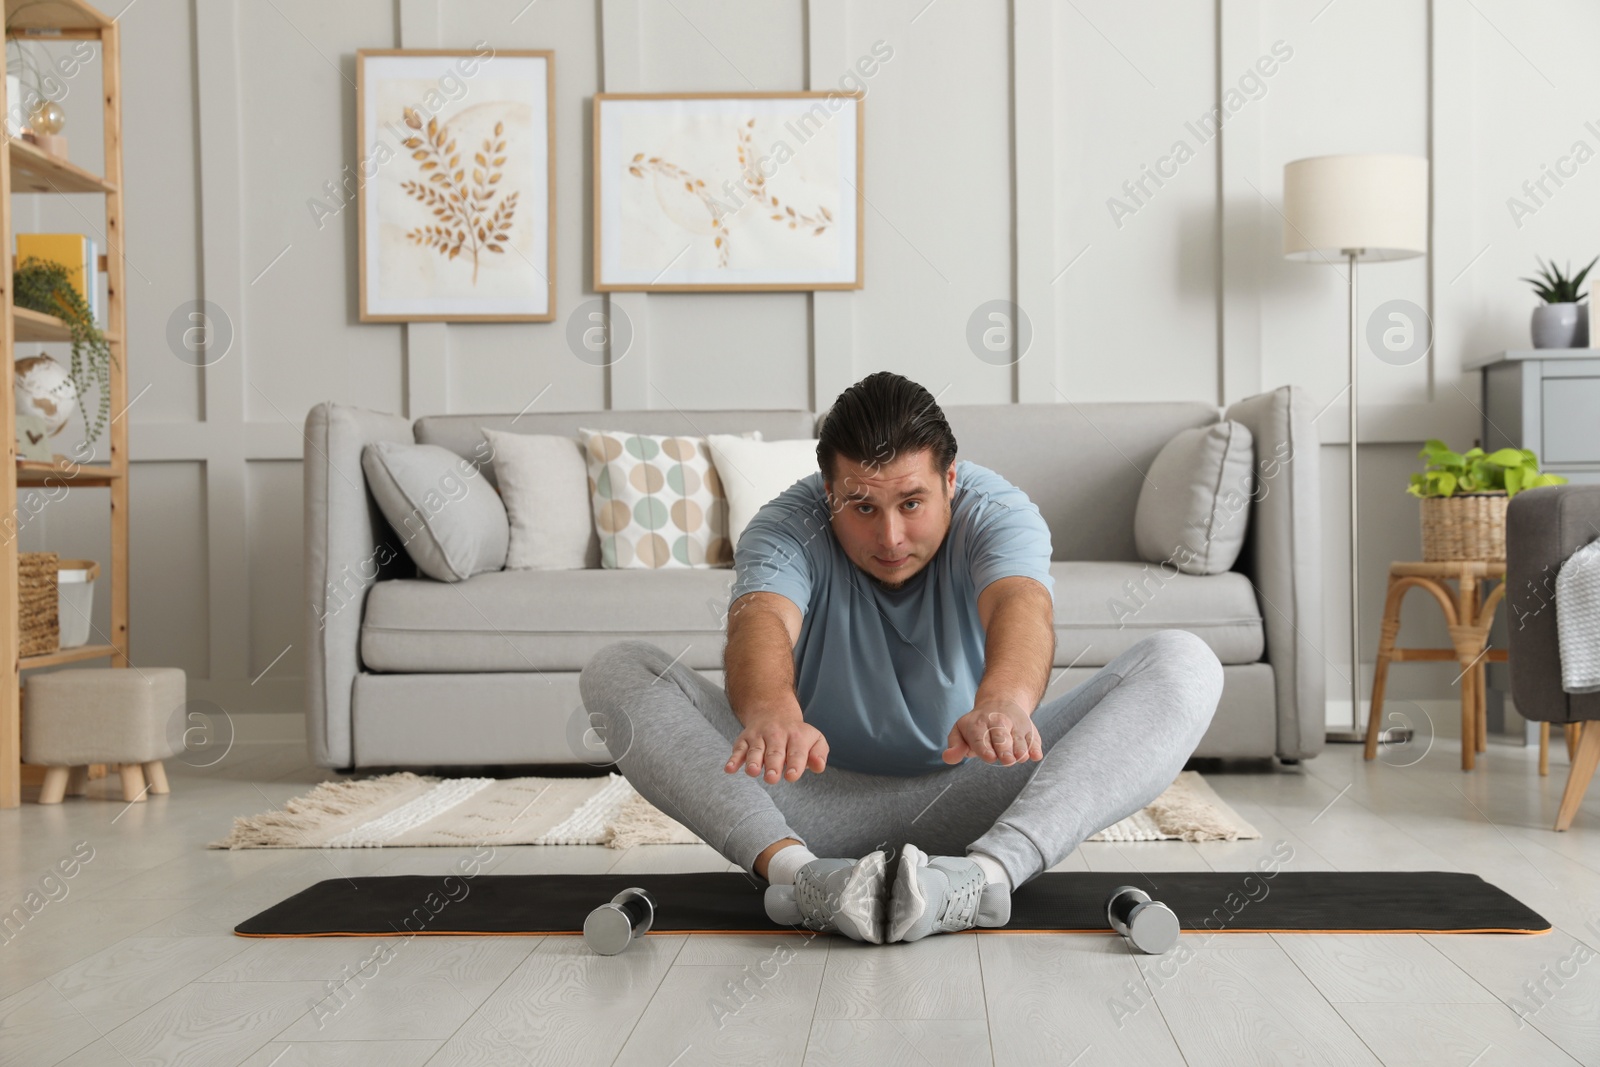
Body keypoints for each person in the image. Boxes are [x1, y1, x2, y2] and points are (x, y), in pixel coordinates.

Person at [577, 371, 1223, 944]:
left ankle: (985, 878)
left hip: (974, 787)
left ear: (949, 479)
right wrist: (773, 710)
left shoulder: (998, 510)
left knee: (1184, 661)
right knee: (618, 667)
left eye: (911, 503)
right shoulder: (785, 524)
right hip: (805, 792)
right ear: (828, 492)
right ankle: (801, 879)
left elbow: (1020, 606)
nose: (889, 536)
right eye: (862, 506)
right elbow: (762, 620)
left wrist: (1002, 702)